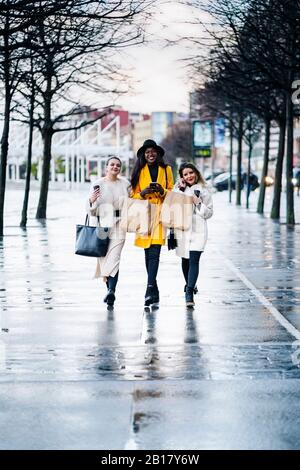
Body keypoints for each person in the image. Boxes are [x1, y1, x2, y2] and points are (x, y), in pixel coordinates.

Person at [130, 139, 174, 309]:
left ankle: (148, 289)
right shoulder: (139, 171)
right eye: (147, 152)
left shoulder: (167, 169)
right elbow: (132, 196)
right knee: (148, 254)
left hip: (160, 214)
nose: (150, 154)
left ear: (158, 153)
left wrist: (162, 191)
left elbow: (172, 190)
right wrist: (143, 193)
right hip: (144, 214)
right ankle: (154, 289)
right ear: (144, 154)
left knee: (155, 252)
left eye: (153, 152)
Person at [87, 156, 129, 309]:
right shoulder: (97, 184)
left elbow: (133, 202)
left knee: (114, 258)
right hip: (102, 226)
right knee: (105, 260)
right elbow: (91, 210)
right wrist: (91, 200)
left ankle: (112, 290)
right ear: (106, 167)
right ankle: (109, 292)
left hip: (120, 225)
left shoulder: (125, 184)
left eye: (118, 165)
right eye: (112, 164)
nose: (115, 167)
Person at [174, 162, 213, 308]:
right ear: (182, 177)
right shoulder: (178, 189)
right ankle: (190, 284)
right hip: (182, 230)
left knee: (194, 260)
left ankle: (189, 292)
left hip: (199, 231)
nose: (189, 176)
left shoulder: (204, 190)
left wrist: (198, 203)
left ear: (196, 173)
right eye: (185, 174)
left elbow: (209, 213)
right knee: (185, 260)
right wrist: (180, 191)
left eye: (191, 173)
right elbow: (173, 207)